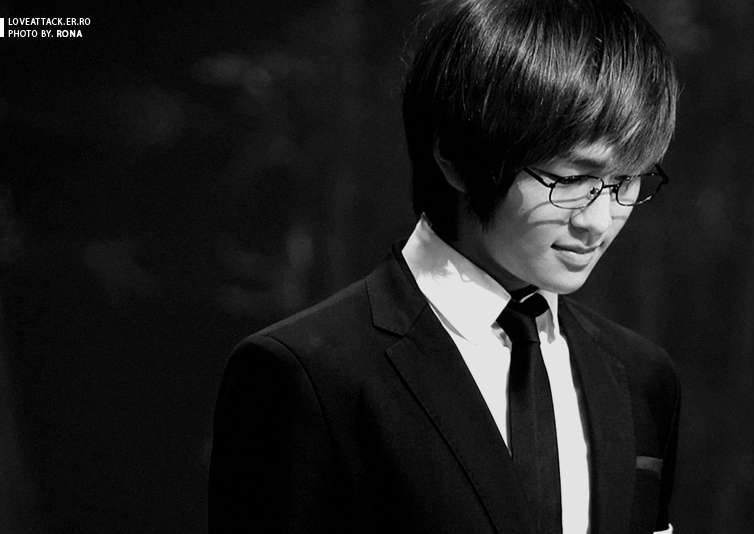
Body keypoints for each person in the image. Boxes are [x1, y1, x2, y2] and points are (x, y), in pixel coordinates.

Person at [208, 0, 681, 532]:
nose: (598, 220)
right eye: (570, 179)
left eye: (626, 181)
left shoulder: (643, 378)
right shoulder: (306, 375)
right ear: (455, 157)